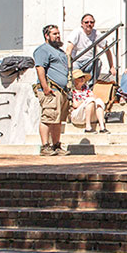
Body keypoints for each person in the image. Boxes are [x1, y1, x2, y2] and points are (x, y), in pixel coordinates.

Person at [32, 24, 72, 156]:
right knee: (48, 118)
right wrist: (45, 88)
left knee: (57, 120)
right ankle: (45, 146)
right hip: (51, 89)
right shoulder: (43, 50)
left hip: (61, 91)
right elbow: (40, 68)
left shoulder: (60, 52)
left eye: (58, 33)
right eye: (54, 34)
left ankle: (56, 145)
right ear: (47, 36)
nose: (58, 36)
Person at [66, 12, 115, 83]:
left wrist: (112, 67)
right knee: (74, 72)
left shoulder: (96, 33)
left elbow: (107, 49)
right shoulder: (77, 32)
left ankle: (90, 86)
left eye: (91, 22)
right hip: (77, 61)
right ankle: (75, 88)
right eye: (86, 22)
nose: (89, 24)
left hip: (90, 62)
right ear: (82, 24)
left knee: (98, 62)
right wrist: (68, 64)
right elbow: (69, 49)